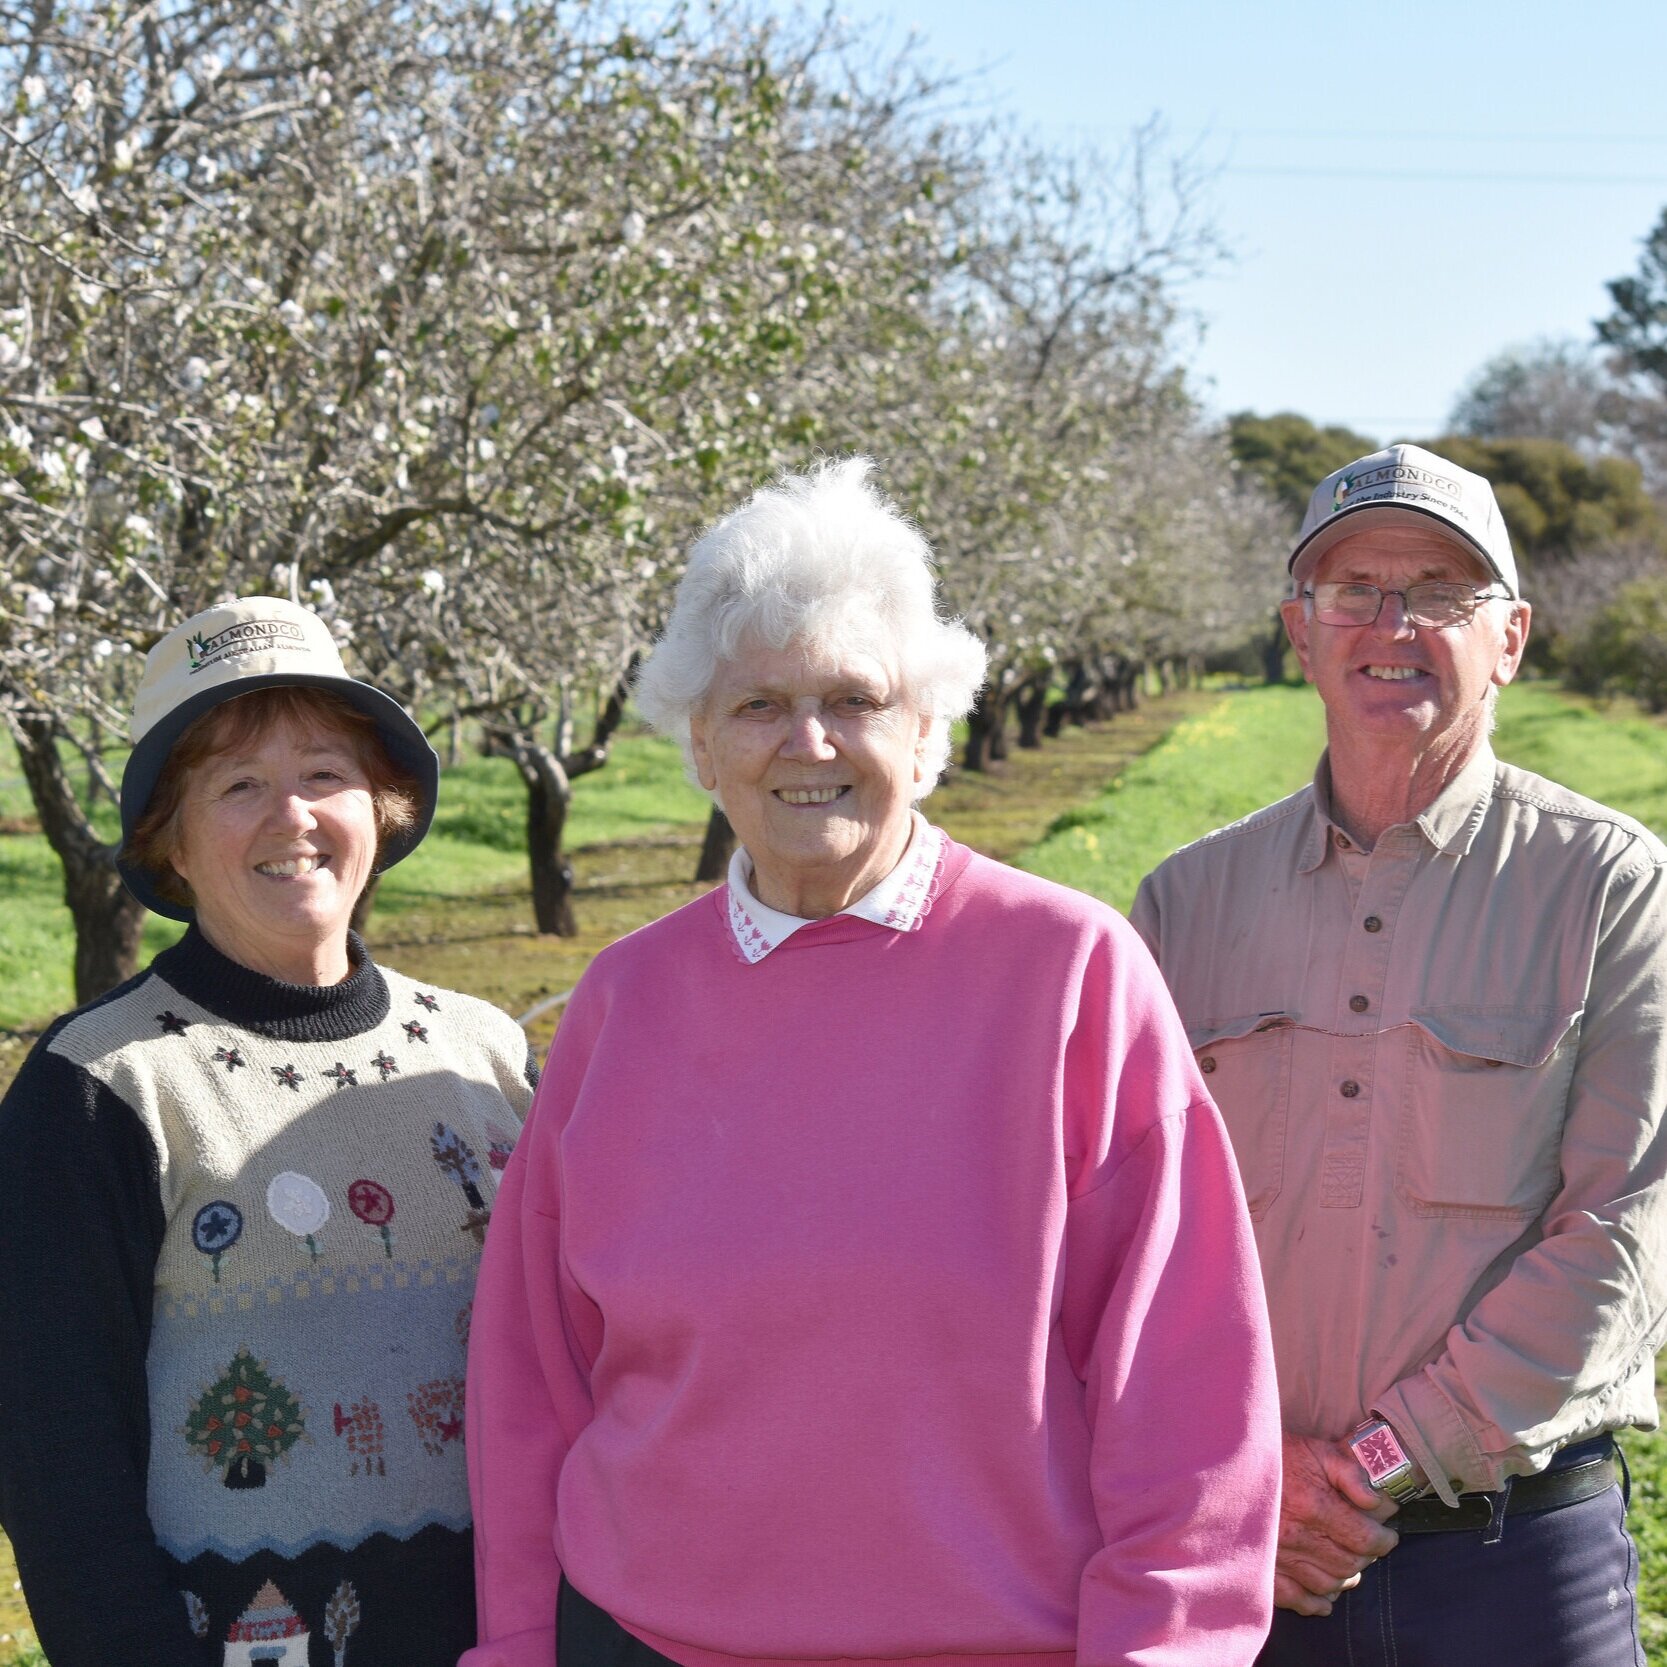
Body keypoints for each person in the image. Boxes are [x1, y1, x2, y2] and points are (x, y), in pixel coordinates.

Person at [462, 457, 1280, 1667]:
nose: (807, 742)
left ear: (926, 728)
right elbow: (533, 1373)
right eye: (756, 705)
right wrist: (520, 1643)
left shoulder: (1068, 973)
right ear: (696, 739)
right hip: (641, 1642)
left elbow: (1186, 1375)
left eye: (853, 698)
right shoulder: (622, 1000)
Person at [1132, 442, 1665, 1667]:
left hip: (1511, 1562)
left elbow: (1620, 1242)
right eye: (1352, 588)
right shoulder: (1181, 902)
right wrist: (1247, 1478)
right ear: (1298, 632)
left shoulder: (1607, 886)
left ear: (1511, 638)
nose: (1392, 622)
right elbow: (1113, 1240)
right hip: (1241, 1549)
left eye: (1439, 591)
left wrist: (1366, 1464)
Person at [0, 597, 537, 1666]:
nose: (291, 814)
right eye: (238, 784)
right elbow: (56, 1453)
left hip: (510, 1636)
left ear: (381, 807)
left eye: (326, 773)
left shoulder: (485, 1055)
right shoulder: (101, 1085)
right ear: (172, 840)